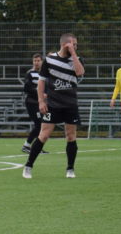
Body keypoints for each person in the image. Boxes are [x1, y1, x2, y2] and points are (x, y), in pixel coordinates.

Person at [23, 33, 85, 179]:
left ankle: (70, 169)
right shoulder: (49, 60)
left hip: (70, 105)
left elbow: (80, 72)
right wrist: (41, 101)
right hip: (53, 104)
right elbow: (41, 82)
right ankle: (28, 166)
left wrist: (73, 53)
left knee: (71, 136)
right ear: (64, 44)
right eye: (73, 44)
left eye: (76, 45)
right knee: (43, 135)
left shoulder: (77, 59)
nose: (76, 47)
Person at [21, 54, 46, 154]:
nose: (36, 62)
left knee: (42, 125)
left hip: (40, 103)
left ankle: (36, 147)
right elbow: (27, 88)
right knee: (39, 124)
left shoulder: (44, 73)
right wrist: (40, 93)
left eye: (38, 60)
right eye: (35, 61)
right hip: (32, 103)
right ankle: (26, 146)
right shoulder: (30, 73)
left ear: (41, 61)